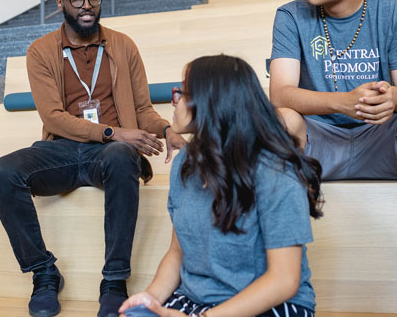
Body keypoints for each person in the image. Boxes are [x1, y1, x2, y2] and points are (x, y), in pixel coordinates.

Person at [0, 0, 185, 317]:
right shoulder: (41, 51)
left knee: (120, 157)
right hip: (62, 150)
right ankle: (43, 273)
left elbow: (142, 108)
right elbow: (52, 117)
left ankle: (114, 280)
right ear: (60, 3)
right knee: (2, 172)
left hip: (111, 155)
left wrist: (166, 129)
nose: (87, 5)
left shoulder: (123, 45)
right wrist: (115, 132)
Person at [119, 55, 323, 317]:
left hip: (269, 305)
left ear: (212, 102)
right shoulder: (185, 163)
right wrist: (149, 298)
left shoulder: (276, 175)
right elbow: (176, 253)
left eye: (183, 92)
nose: (176, 100)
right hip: (195, 301)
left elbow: (283, 281)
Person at [269, 0, 397, 181]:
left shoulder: (391, 11)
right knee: (280, 120)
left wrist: (391, 97)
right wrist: (345, 103)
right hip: (318, 137)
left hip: (381, 135)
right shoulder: (290, 15)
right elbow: (280, 95)